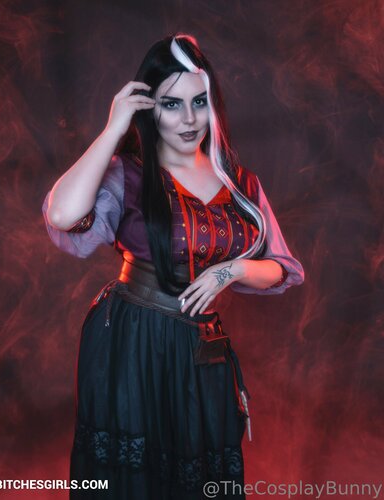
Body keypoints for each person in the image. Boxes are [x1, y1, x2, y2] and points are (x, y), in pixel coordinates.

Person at [42, 33, 304, 500]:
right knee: (133, 479)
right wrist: (113, 128)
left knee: (201, 474)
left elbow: (282, 268)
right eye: (171, 104)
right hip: (132, 340)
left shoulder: (240, 184)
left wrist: (233, 271)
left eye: (199, 102)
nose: (188, 119)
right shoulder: (128, 173)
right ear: (149, 108)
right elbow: (62, 215)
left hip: (201, 347)